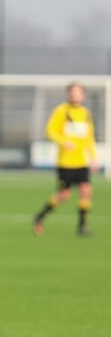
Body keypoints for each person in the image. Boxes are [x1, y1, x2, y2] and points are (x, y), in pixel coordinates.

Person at [33, 82, 99, 236]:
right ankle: (40, 216)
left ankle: (82, 226)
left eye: (78, 92)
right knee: (64, 195)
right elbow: (50, 130)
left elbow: (89, 138)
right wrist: (63, 142)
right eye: (72, 92)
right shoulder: (61, 111)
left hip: (81, 161)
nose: (75, 95)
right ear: (68, 94)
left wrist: (94, 158)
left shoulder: (85, 114)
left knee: (86, 190)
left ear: (84, 95)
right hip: (65, 162)